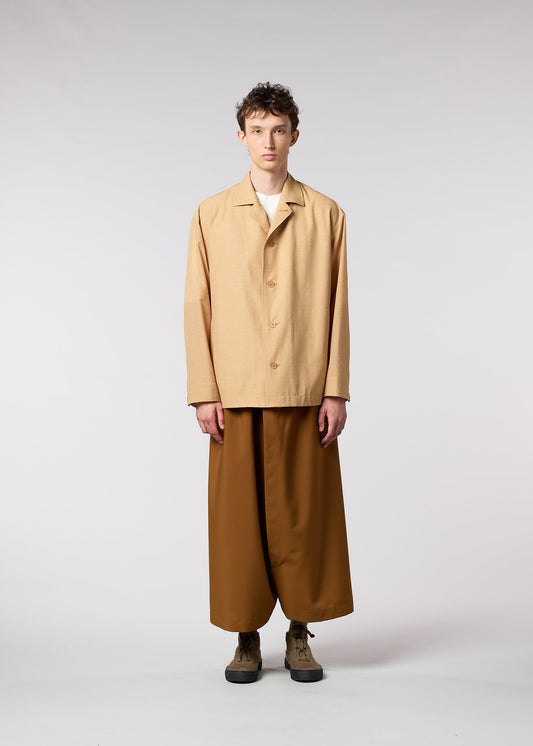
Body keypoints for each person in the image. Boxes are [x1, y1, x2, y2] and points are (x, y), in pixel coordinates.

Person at [184, 82, 354, 684]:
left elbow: (337, 306)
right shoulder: (211, 214)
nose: (268, 141)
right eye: (257, 130)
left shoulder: (326, 213)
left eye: (279, 130)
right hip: (235, 391)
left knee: (305, 518)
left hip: (305, 388)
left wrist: (335, 389)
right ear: (241, 137)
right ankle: (246, 638)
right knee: (239, 524)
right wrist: (204, 391)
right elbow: (197, 304)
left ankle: (300, 633)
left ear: (294, 136)